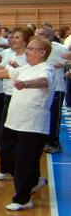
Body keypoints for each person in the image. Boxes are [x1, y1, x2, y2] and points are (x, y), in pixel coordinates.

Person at [0, 36, 54, 210]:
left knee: (24, 162)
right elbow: (6, 73)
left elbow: (43, 81)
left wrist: (25, 84)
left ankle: (23, 199)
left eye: (32, 49)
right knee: (8, 156)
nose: (27, 51)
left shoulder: (46, 69)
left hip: (32, 125)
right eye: (28, 48)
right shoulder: (25, 68)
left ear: (42, 52)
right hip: (13, 122)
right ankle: (34, 181)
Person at [0, 26, 33, 181]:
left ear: (26, 40)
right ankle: (5, 169)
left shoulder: (30, 57)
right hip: (8, 96)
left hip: (24, 98)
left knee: (20, 137)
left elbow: (33, 74)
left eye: (16, 37)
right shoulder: (7, 53)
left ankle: (22, 173)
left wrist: (18, 69)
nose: (12, 40)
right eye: (11, 37)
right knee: (5, 134)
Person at [35, 25, 67, 154]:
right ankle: (44, 140)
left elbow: (68, 60)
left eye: (42, 34)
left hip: (57, 87)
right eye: (38, 34)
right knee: (43, 114)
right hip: (41, 87)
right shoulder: (37, 48)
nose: (39, 36)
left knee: (54, 117)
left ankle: (54, 143)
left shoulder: (59, 48)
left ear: (49, 36)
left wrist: (63, 64)